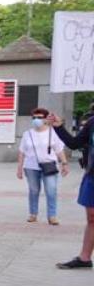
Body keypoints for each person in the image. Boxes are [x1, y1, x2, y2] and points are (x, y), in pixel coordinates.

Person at [50, 107, 94, 269]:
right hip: (92, 175)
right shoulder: (92, 122)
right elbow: (74, 144)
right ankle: (84, 258)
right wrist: (59, 127)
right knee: (92, 217)